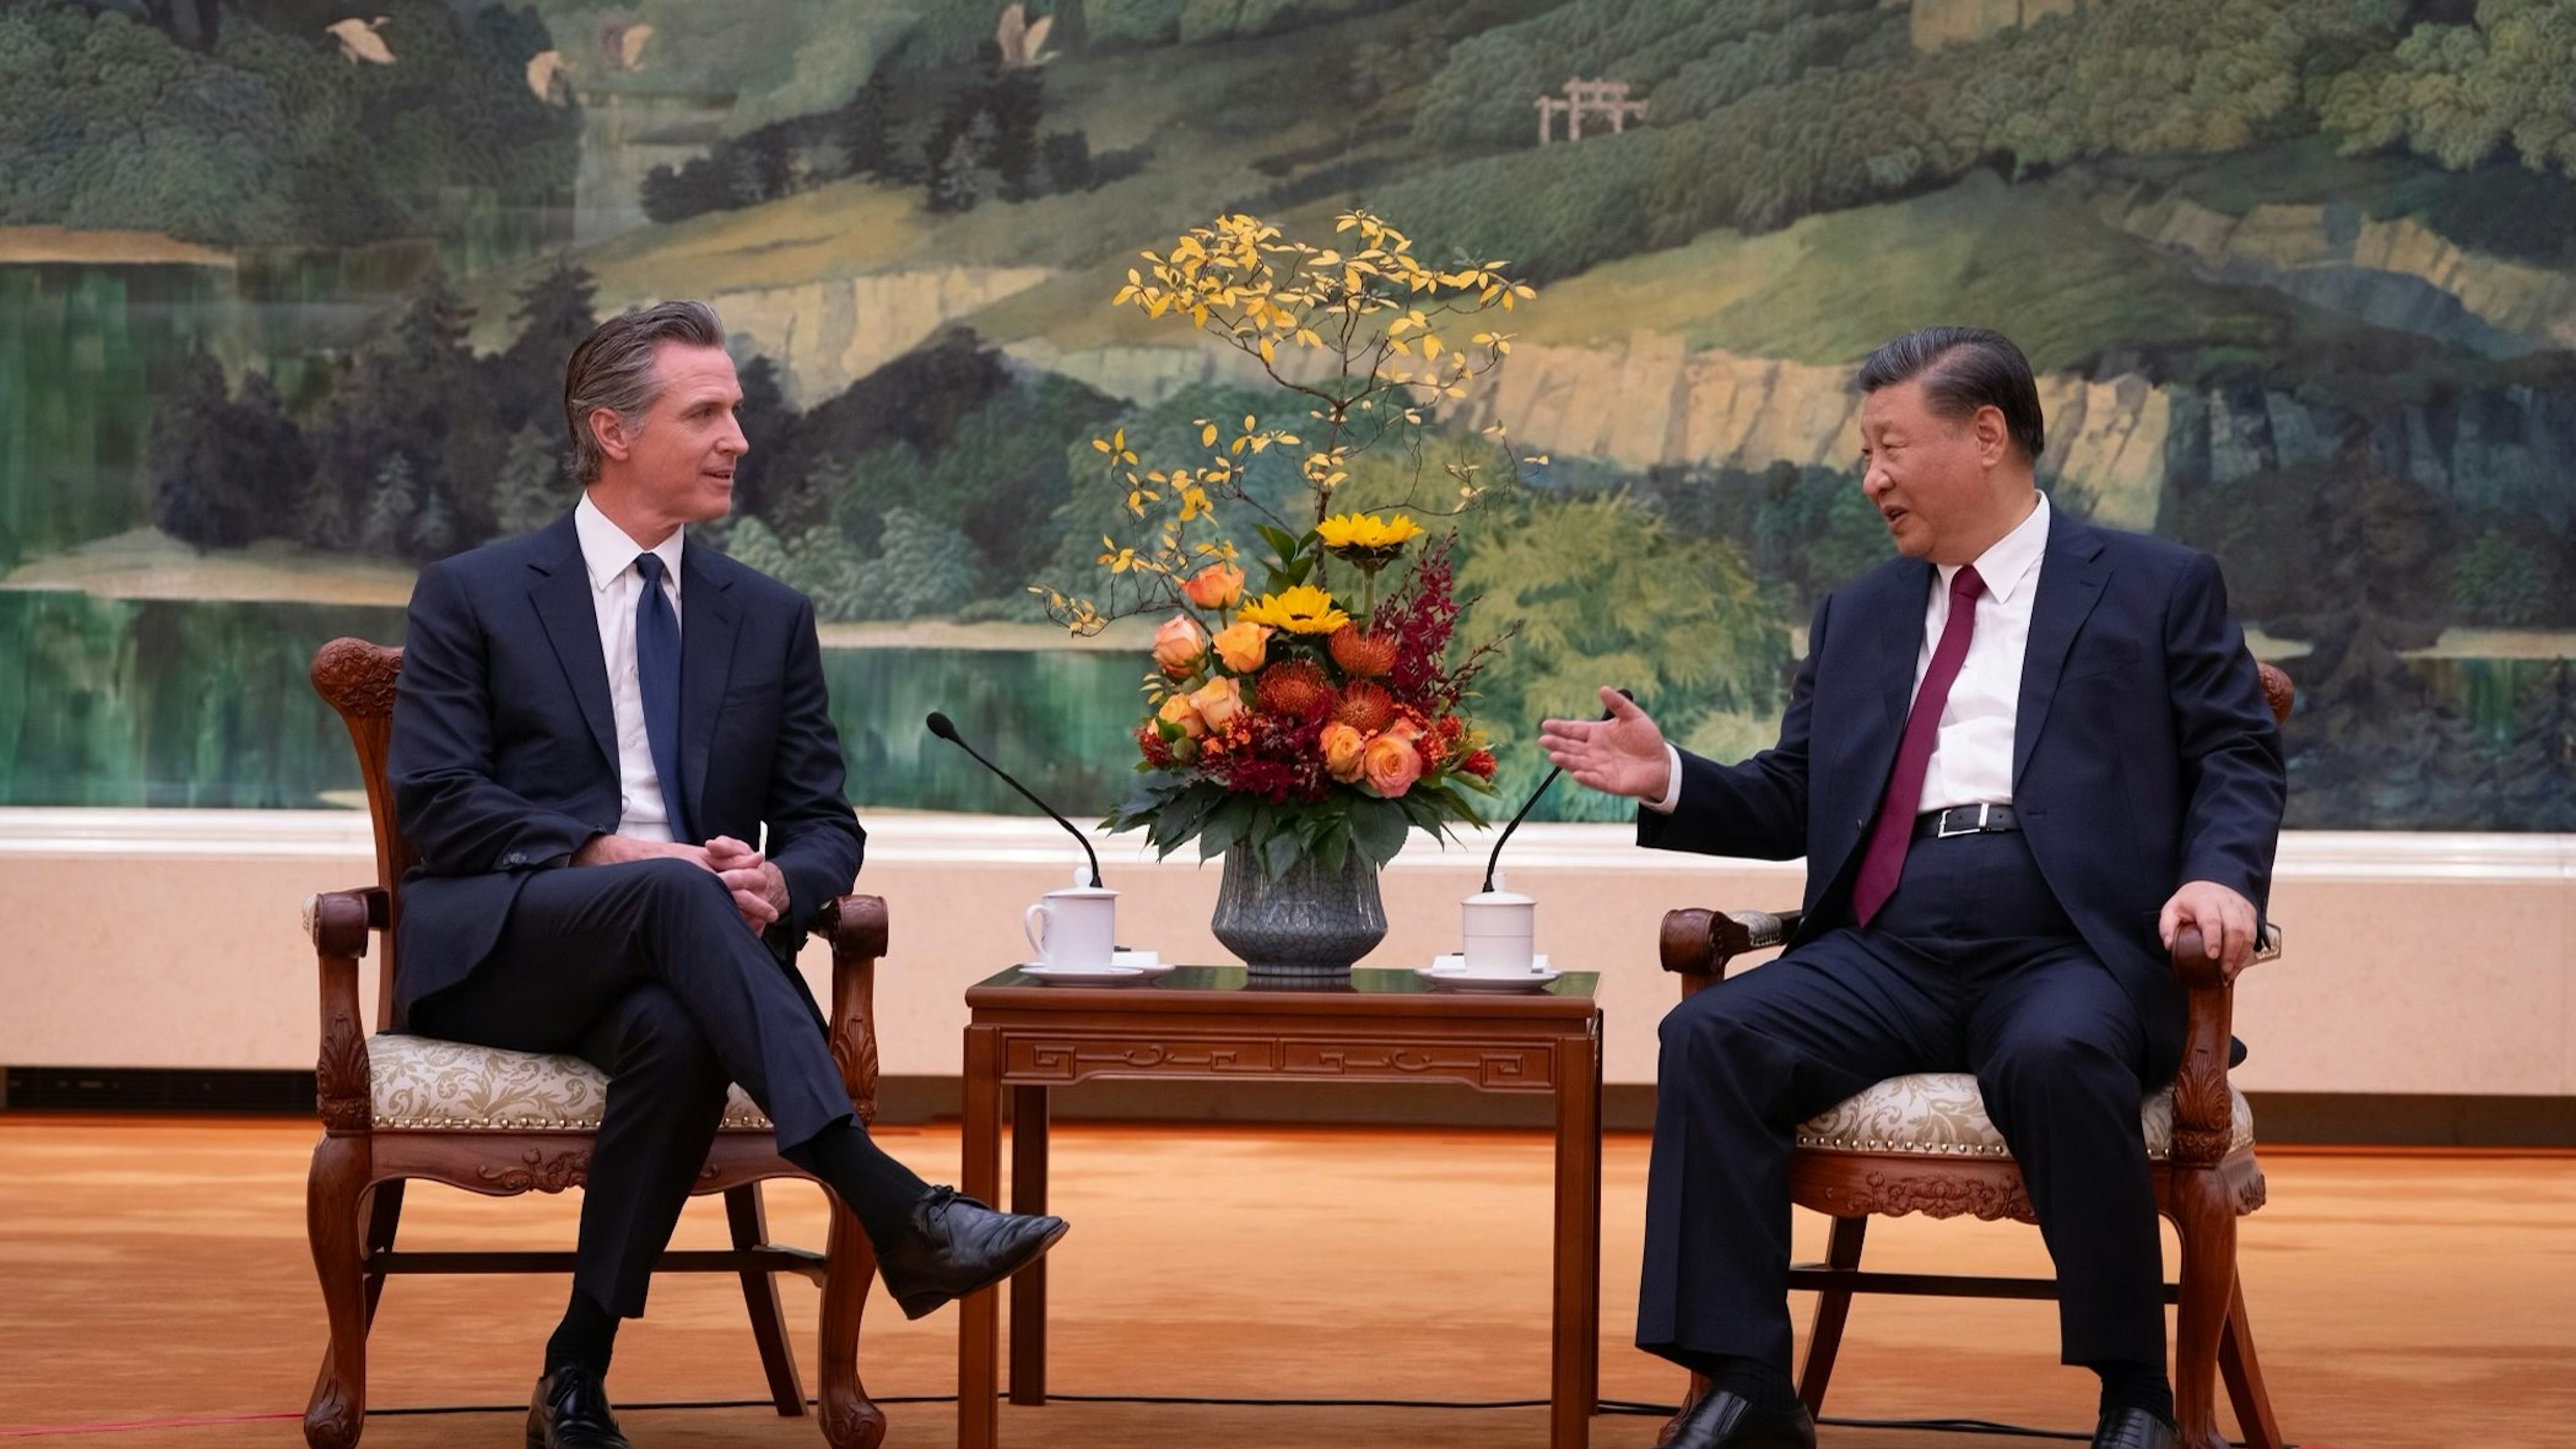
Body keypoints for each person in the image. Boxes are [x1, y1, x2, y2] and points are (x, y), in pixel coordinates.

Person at [1538, 327, 2284, 1449]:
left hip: (2070, 944)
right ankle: (1745, 1385)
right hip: (1889, 940)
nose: (1871, 476)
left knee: (2056, 1052)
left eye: (1891, 446)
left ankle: (2136, 1394)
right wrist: (1673, 778)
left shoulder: (2156, 585)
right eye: (1866, 451)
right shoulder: (1863, 613)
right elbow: (1799, 795)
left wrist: (2218, 879)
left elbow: (2237, 755)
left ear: (1987, 436)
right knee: (1714, 1039)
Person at [386, 301, 1067, 1449]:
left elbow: (820, 822)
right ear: (611, 430)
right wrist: (603, 850)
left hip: (685, 961)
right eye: (704, 413)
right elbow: (440, 804)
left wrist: (779, 888)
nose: (736, 437)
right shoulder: (476, 593)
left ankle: (573, 1372)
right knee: (664, 887)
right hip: (510, 949)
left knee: (676, 1021)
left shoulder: (768, 616)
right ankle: (892, 1201)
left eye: (735, 412)